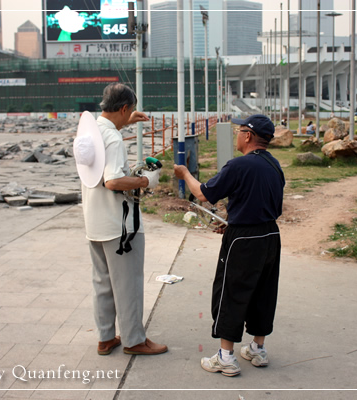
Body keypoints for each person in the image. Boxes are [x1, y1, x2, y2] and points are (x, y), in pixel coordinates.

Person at [174, 114, 284, 377]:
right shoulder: (275, 165)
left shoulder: (239, 165)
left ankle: (225, 356)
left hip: (243, 239)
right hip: (270, 235)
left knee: (230, 292)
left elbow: (204, 193)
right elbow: (258, 201)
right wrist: (233, 220)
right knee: (263, 292)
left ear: (248, 135)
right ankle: (258, 349)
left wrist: (185, 173)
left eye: (239, 130)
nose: (236, 134)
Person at [73, 83, 168, 356]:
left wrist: (125, 123)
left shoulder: (90, 134)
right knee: (129, 286)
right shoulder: (113, 139)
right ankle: (134, 340)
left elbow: (106, 145)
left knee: (102, 283)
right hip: (120, 228)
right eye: (129, 111)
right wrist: (144, 180)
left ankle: (105, 338)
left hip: (95, 223)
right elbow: (113, 180)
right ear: (124, 108)